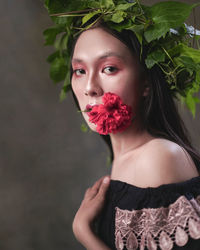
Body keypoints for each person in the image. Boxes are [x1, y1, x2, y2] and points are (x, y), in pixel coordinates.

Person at [44, 1, 200, 249]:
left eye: (109, 68)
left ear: (146, 83)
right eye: (79, 71)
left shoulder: (158, 157)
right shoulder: (126, 159)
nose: (89, 88)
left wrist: (83, 232)